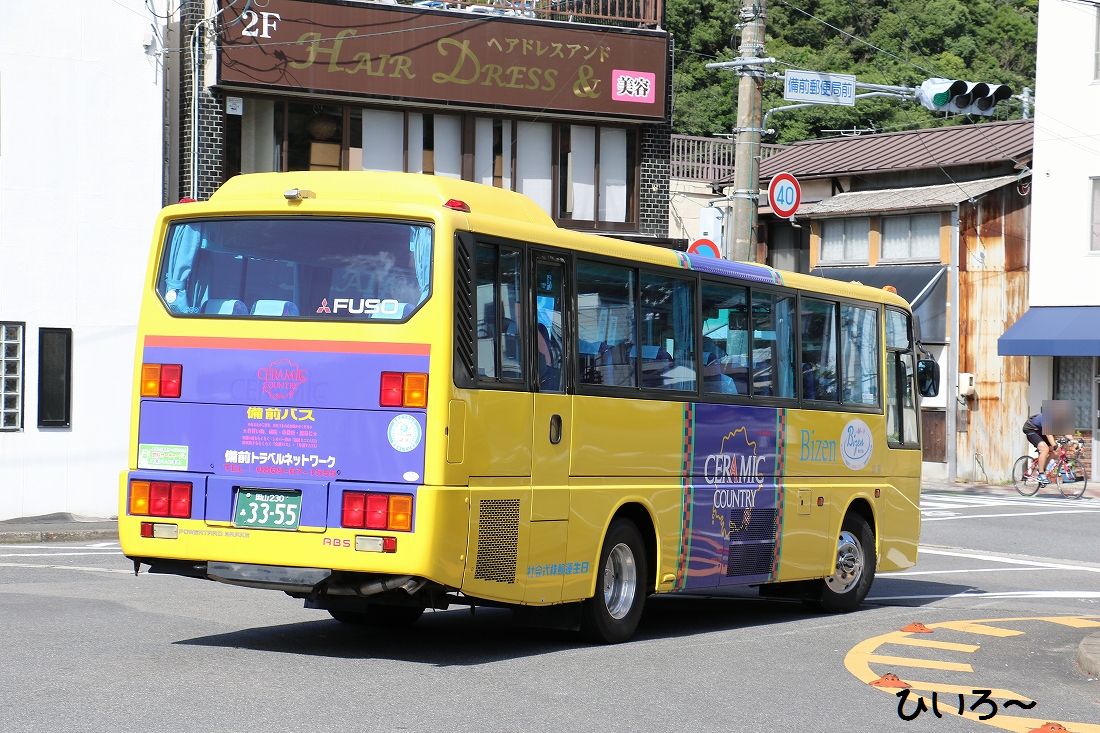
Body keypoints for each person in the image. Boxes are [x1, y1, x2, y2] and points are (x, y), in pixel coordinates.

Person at [1022, 412, 1057, 484]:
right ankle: (1041, 474)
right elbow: (1049, 435)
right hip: (1031, 429)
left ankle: (1042, 469)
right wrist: (1055, 445)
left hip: (1041, 431)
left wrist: (1074, 442)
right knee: (1045, 449)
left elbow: (1068, 434)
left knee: (1055, 453)